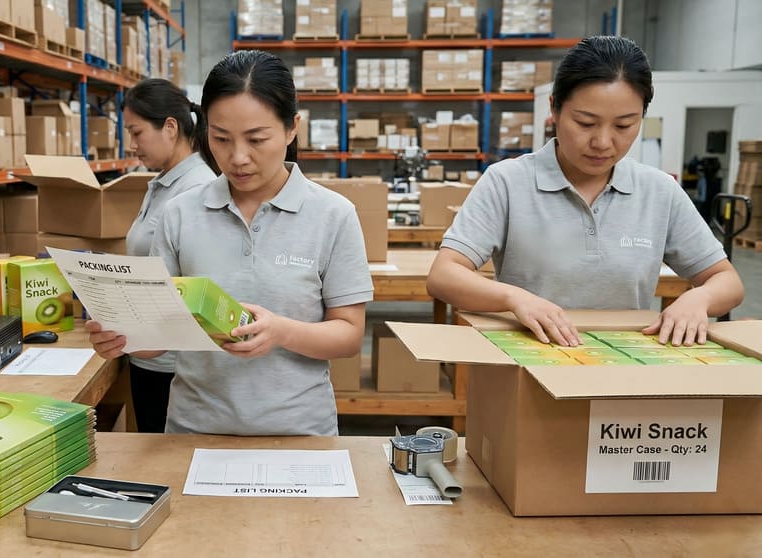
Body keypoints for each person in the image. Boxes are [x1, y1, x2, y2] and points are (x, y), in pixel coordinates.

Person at [87, 50, 373, 436]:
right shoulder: (181, 213)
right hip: (194, 432)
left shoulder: (333, 215)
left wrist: (281, 332)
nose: (238, 158)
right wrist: (123, 338)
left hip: (299, 435)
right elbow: (158, 338)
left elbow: (349, 334)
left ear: (292, 129)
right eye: (220, 138)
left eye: (257, 139)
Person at [426, 35, 744, 348]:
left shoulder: (658, 191)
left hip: (625, 368)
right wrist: (514, 298)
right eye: (585, 122)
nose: (603, 142)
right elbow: (444, 275)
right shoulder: (508, 182)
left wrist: (698, 299)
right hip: (530, 363)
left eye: (624, 126)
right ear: (555, 109)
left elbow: (727, 281)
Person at [120, 78, 217, 433]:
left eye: (137, 132)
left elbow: (199, 280)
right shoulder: (164, 183)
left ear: (170, 127)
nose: (132, 145)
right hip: (148, 351)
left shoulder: (195, 189)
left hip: (170, 363)